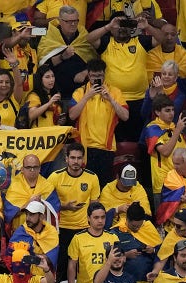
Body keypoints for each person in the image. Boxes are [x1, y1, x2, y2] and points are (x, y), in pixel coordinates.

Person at [86, 12, 165, 142]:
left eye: (125, 24)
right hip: (113, 99)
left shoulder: (140, 41)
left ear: (131, 27)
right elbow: (89, 38)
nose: (122, 28)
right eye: (118, 24)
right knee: (116, 137)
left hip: (139, 99)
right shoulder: (106, 43)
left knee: (138, 136)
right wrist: (108, 27)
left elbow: (162, 39)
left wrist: (147, 27)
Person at [69, 58, 128, 187]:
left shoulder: (114, 92)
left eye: (100, 76)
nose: (97, 79)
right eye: (94, 76)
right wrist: (87, 97)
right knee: (86, 186)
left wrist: (111, 100)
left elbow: (125, 116)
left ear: (104, 74)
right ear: (88, 75)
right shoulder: (80, 92)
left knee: (104, 186)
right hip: (85, 148)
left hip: (106, 147)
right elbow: (72, 115)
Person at [47, 142, 100, 279]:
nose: (76, 161)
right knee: (61, 267)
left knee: (81, 269)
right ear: (66, 159)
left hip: (83, 229)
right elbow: (47, 204)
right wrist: (65, 206)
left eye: (79, 158)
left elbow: (94, 206)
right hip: (61, 229)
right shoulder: (55, 177)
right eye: (73, 158)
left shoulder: (92, 177)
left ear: (83, 159)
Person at [7, 200, 59, 283]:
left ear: (41, 216)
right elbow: (11, 255)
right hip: (23, 282)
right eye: (27, 214)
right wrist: (38, 257)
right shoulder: (21, 231)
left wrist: (29, 255)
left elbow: (51, 259)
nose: (28, 218)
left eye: (32, 215)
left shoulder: (51, 232)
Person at [111, 203, 161, 283]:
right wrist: (126, 255)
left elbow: (163, 252)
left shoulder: (148, 228)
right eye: (134, 226)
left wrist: (153, 249)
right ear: (127, 219)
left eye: (139, 226)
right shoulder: (116, 232)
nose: (137, 229)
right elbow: (109, 256)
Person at [36, 6, 96, 101]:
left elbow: (95, 61)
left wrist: (85, 72)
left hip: (82, 92)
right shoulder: (50, 36)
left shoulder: (84, 35)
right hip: (57, 93)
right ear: (60, 20)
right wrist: (62, 57)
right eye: (68, 21)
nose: (73, 24)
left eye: (76, 21)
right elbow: (44, 65)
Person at [141, 94, 186, 209]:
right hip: (163, 185)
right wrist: (177, 131)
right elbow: (165, 151)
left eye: (172, 110)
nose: (171, 113)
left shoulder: (175, 127)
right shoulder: (153, 129)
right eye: (167, 110)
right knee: (164, 221)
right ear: (157, 112)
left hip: (181, 182)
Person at [67, 202, 120, 283]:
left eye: (103, 217)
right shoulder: (78, 238)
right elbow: (72, 265)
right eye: (96, 217)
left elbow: (118, 263)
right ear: (88, 218)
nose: (100, 220)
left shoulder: (113, 238)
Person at [4, 154, 60, 233]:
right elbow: (8, 215)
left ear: (39, 169)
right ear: (22, 169)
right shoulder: (14, 187)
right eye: (29, 167)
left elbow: (55, 213)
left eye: (35, 167)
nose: (32, 170)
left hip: (42, 233)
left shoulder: (47, 187)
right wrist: (27, 204)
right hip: (20, 233)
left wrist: (43, 205)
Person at [0, 21, 37, 97]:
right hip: (10, 96)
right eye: (21, 31)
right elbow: (4, 44)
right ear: (13, 32)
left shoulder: (32, 51)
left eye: (27, 31)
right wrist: (20, 36)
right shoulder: (9, 48)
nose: (24, 34)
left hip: (28, 97)